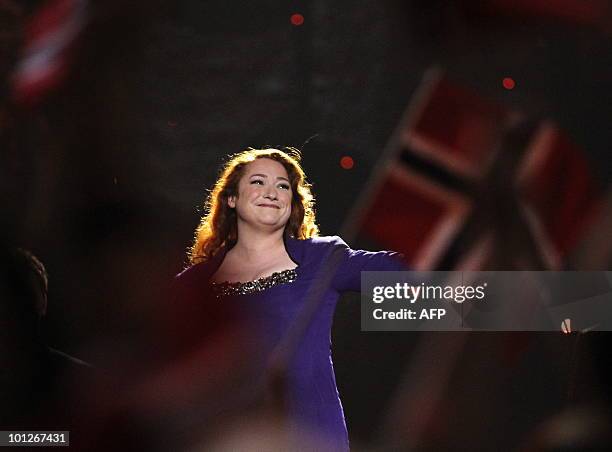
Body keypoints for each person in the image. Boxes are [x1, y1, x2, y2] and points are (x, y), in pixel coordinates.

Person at [174, 147, 404, 450]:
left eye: (283, 186)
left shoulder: (324, 260)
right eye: (258, 182)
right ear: (231, 198)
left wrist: (482, 289)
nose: (272, 192)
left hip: (313, 440)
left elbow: (410, 273)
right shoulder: (193, 285)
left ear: (292, 203)